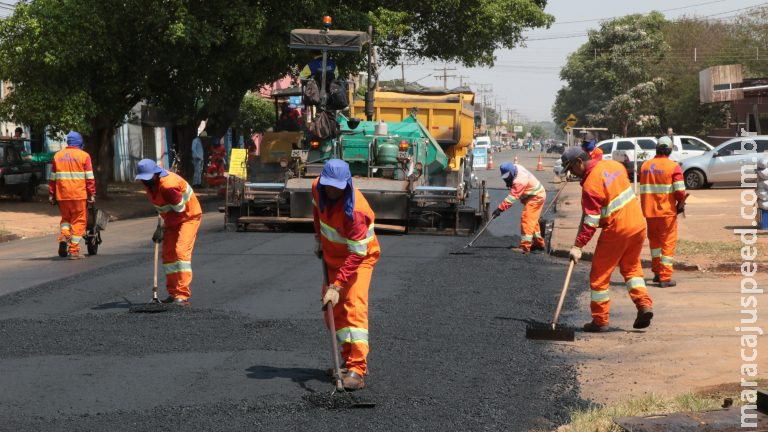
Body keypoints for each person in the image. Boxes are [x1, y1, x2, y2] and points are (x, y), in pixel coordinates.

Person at [561, 146, 654, 332]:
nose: (571, 173)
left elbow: (590, 222)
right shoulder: (613, 165)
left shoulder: (590, 186)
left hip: (617, 229)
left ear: (579, 162)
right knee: (631, 268)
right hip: (637, 224)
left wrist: (578, 245)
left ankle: (600, 320)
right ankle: (644, 305)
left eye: (571, 168)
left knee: (599, 276)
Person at [312, 159, 380, 391]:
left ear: (347, 184)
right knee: (333, 312)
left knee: (353, 307)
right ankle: (347, 358)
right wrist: (318, 238)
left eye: (337, 187)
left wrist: (338, 285)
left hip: (358, 260)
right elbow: (316, 210)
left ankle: (358, 369)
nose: (332, 191)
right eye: (328, 185)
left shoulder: (357, 211)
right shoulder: (317, 187)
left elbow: (357, 253)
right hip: (333, 256)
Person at [135, 159, 202, 305]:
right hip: (171, 219)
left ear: (156, 174)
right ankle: (173, 293)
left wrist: (163, 228)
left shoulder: (169, 186)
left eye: (147, 177)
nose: (144, 181)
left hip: (188, 217)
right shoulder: (149, 184)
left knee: (180, 252)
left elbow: (180, 212)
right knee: (168, 255)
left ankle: (182, 295)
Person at [639, 136, 686, 288]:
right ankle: (665, 277)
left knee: (655, 244)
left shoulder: (645, 166)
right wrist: (680, 203)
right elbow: (680, 192)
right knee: (667, 244)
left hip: (649, 213)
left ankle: (657, 273)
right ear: (670, 150)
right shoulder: (673, 167)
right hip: (666, 213)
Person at [49, 131, 95, 260]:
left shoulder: (57, 156)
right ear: (80, 142)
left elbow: (52, 178)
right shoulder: (84, 156)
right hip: (79, 195)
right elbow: (90, 178)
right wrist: (91, 193)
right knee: (79, 220)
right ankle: (74, 251)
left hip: (62, 195)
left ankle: (64, 235)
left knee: (66, 219)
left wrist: (51, 194)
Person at [492, 162, 547, 254]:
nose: (507, 179)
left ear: (512, 172)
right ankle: (539, 244)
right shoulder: (516, 167)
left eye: (508, 177)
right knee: (532, 221)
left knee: (527, 219)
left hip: (536, 197)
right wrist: (510, 181)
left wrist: (500, 209)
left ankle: (525, 247)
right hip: (535, 195)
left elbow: (512, 197)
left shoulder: (520, 180)